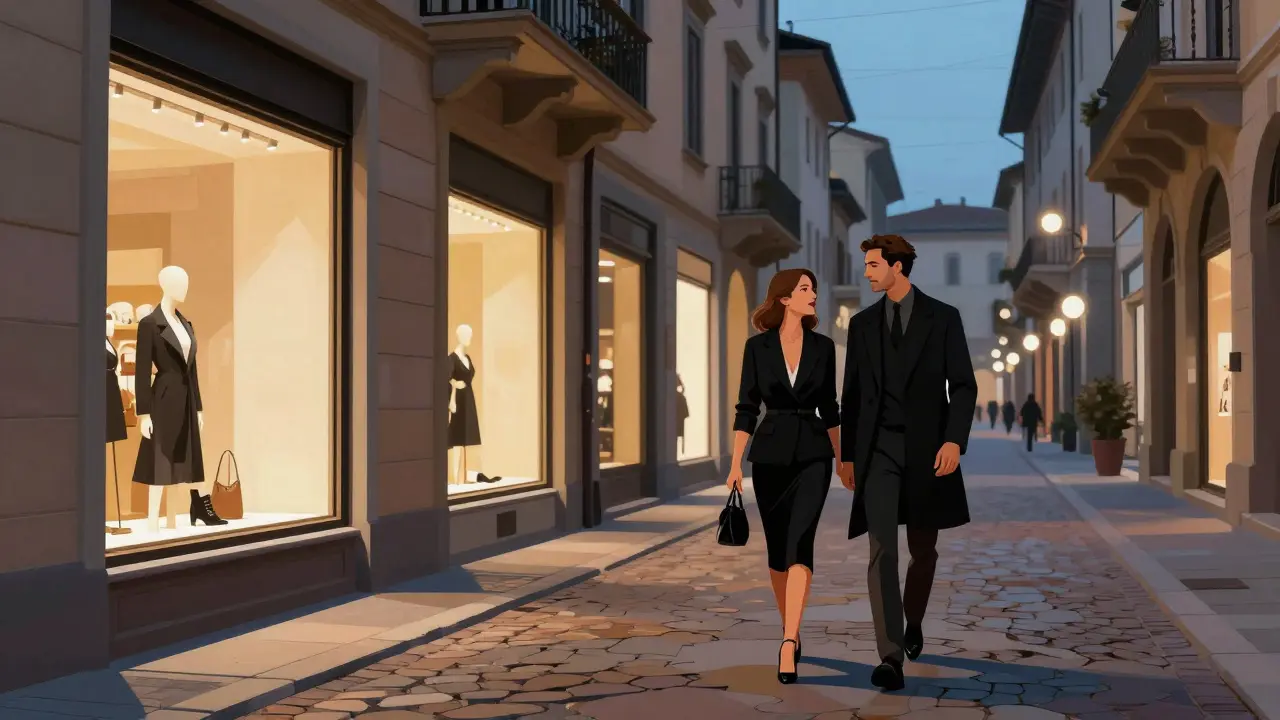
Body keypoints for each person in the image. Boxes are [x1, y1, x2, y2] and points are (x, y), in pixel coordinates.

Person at [839, 234, 977, 692]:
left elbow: (963, 385)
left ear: (898, 267)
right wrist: (848, 456)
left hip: (926, 453)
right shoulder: (861, 325)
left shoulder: (943, 319)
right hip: (878, 452)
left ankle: (912, 619)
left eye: (873, 265)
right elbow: (852, 396)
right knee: (882, 550)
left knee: (922, 551)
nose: (867, 273)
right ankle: (890, 656)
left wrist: (955, 440)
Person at [726, 268, 842, 686]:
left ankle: (789, 642)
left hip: (813, 454)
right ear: (784, 299)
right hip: (770, 455)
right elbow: (746, 407)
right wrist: (736, 463)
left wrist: (842, 459)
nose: (813, 295)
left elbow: (830, 407)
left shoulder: (824, 347)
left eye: (814, 288)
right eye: (805, 289)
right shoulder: (756, 348)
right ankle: (789, 627)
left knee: (800, 543)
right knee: (778, 551)